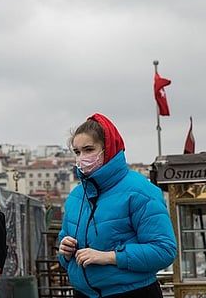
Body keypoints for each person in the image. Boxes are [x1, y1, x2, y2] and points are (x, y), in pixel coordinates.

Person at [58, 113, 177, 298]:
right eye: (77, 152)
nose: (82, 157)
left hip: (132, 292)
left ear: (108, 148)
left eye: (89, 149)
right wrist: (64, 252)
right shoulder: (76, 196)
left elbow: (164, 250)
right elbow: (64, 248)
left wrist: (110, 257)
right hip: (83, 293)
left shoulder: (140, 191)